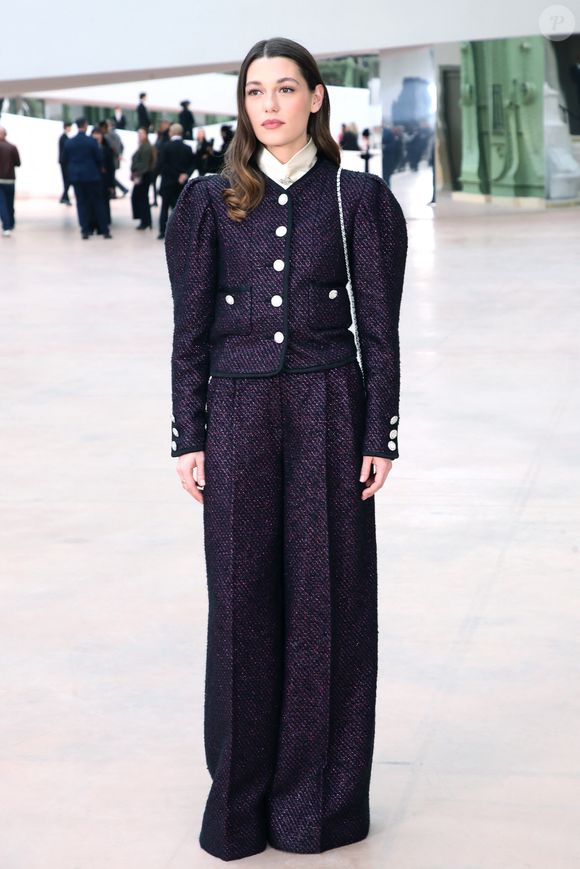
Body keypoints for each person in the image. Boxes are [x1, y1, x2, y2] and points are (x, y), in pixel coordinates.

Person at [164, 36, 408, 861]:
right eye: (255, 91)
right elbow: (187, 333)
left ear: (315, 99)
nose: (269, 105)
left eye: (285, 88)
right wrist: (187, 434)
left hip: (330, 408)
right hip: (235, 413)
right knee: (239, 605)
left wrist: (381, 433)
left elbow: (381, 331)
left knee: (328, 603)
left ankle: (320, 806)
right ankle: (239, 805)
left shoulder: (359, 199)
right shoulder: (206, 201)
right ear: (243, 106)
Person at [63, 117, 112, 239]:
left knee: (81, 203)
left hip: (77, 178)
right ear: (85, 125)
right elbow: (99, 158)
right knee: (98, 203)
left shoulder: (69, 142)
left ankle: (85, 230)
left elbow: (64, 160)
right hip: (92, 177)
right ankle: (104, 230)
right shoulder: (91, 142)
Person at [156, 122, 194, 239]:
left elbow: (162, 165)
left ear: (171, 132)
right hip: (181, 184)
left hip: (168, 182)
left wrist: (175, 174)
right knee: (180, 209)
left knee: (164, 208)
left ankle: (163, 232)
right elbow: (193, 164)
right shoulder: (187, 148)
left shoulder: (165, 146)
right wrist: (184, 175)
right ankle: (180, 232)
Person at [130, 127, 156, 229]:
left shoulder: (146, 147)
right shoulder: (143, 146)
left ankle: (145, 221)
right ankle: (145, 221)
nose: (140, 135)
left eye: (141, 133)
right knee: (142, 198)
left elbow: (144, 164)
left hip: (143, 176)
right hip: (143, 175)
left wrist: (137, 174)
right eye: (139, 134)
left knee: (140, 198)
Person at [0, 125, 21, 237]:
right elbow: (18, 163)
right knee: (9, 203)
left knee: (2, 204)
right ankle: (11, 223)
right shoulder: (12, 147)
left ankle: (6, 226)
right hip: (10, 180)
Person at [105, 119, 128, 197]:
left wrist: (117, 154)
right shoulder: (116, 134)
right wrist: (119, 155)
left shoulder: (109, 134)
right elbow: (122, 146)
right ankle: (117, 191)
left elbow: (111, 147)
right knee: (111, 177)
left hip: (111, 159)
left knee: (111, 177)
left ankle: (120, 190)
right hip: (115, 159)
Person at [58, 121, 73, 204]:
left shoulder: (65, 137)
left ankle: (64, 197)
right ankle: (65, 197)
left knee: (67, 180)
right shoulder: (63, 138)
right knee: (67, 180)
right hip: (65, 162)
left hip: (65, 162)